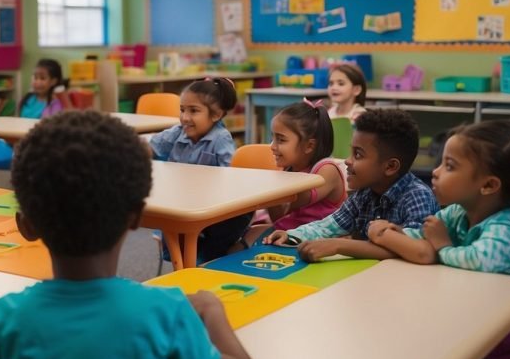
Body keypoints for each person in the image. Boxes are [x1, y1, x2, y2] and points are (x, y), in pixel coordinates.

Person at [0, 111, 258, 359]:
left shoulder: (6, 316)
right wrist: (212, 310)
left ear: (26, 226)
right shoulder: (166, 312)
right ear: (136, 218)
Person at [367, 120, 510, 359]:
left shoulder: (507, 232)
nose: (434, 172)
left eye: (449, 166)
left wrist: (443, 246)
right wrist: (391, 233)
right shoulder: (459, 213)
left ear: (488, 185)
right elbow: (424, 237)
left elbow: (474, 259)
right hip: (466, 341)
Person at [263, 109, 438, 261]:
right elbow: (327, 226)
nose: (347, 160)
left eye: (358, 155)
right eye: (351, 152)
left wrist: (339, 245)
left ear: (390, 167)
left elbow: (413, 248)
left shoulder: (417, 196)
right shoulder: (364, 195)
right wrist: (292, 235)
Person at [149, 77, 245, 261]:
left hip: (209, 208)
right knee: (175, 242)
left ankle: (206, 261)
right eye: (182, 110)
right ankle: (188, 263)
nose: (185, 117)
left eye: (194, 111)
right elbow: (151, 147)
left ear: (216, 115)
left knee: (210, 247)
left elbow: (231, 175)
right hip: (181, 204)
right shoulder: (178, 131)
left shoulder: (220, 138)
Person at [238, 99, 346, 248]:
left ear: (309, 145)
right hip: (290, 232)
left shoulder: (326, 169)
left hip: (317, 240)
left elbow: (298, 200)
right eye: (272, 138)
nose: (272, 146)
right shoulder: (291, 168)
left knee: (244, 243)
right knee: (243, 238)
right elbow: (280, 217)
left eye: (281, 140)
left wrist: (269, 188)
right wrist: (270, 197)